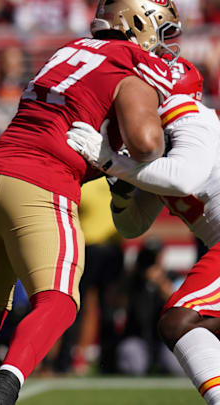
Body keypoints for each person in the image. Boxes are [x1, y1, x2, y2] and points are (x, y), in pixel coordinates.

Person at [0, 1, 180, 405]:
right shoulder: (130, 60)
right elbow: (146, 143)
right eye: (161, 32)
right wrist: (128, 164)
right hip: (39, 180)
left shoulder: (69, 49)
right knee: (59, 301)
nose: (163, 47)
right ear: (138, 22)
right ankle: (4, 386)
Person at [65, 57, 220, 405]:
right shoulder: (160, 148)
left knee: (178, 322)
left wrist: (112, 161)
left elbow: (182, 178)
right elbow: (132, 225)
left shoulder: (188, 115)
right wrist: (121, 191)